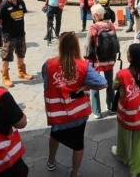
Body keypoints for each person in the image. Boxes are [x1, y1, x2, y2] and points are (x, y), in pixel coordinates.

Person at [43, 32, 107, 176]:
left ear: (60, 46)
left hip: (57, 114)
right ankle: (74, 173)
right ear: (76, 46)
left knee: (55, 136)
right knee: (78, 144)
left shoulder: (49, 64)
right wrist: (85, 86)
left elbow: (46, 85)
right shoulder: (83, 65)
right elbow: (103, 83)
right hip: (78, 114)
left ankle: (51, 161)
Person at [111, 44, 140, 177]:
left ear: (131, 58)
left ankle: (122, 156)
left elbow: (115, 86)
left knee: (123, 135)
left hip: (127, 113)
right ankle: (137, 168)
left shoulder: (122, 74)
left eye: (128, 53)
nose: (127, 54)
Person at [0, 0, 33, 87]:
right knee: (6, 57)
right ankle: (5, 78)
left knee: (21, 54)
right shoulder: (4, 5)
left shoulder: (21, 2)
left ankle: (21, 73)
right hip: (9, 36)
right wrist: (6, 28)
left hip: (21, 34)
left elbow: (22, 14)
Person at [85, 4, 117, 119]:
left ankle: (96, 111)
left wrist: (87, 59)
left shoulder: (94, 27)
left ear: (96, 15)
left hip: (97, 61)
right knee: (109, 83)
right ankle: (111, 106)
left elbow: (88, 46)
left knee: (94, 84)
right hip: (109, 59)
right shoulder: (111, 26)